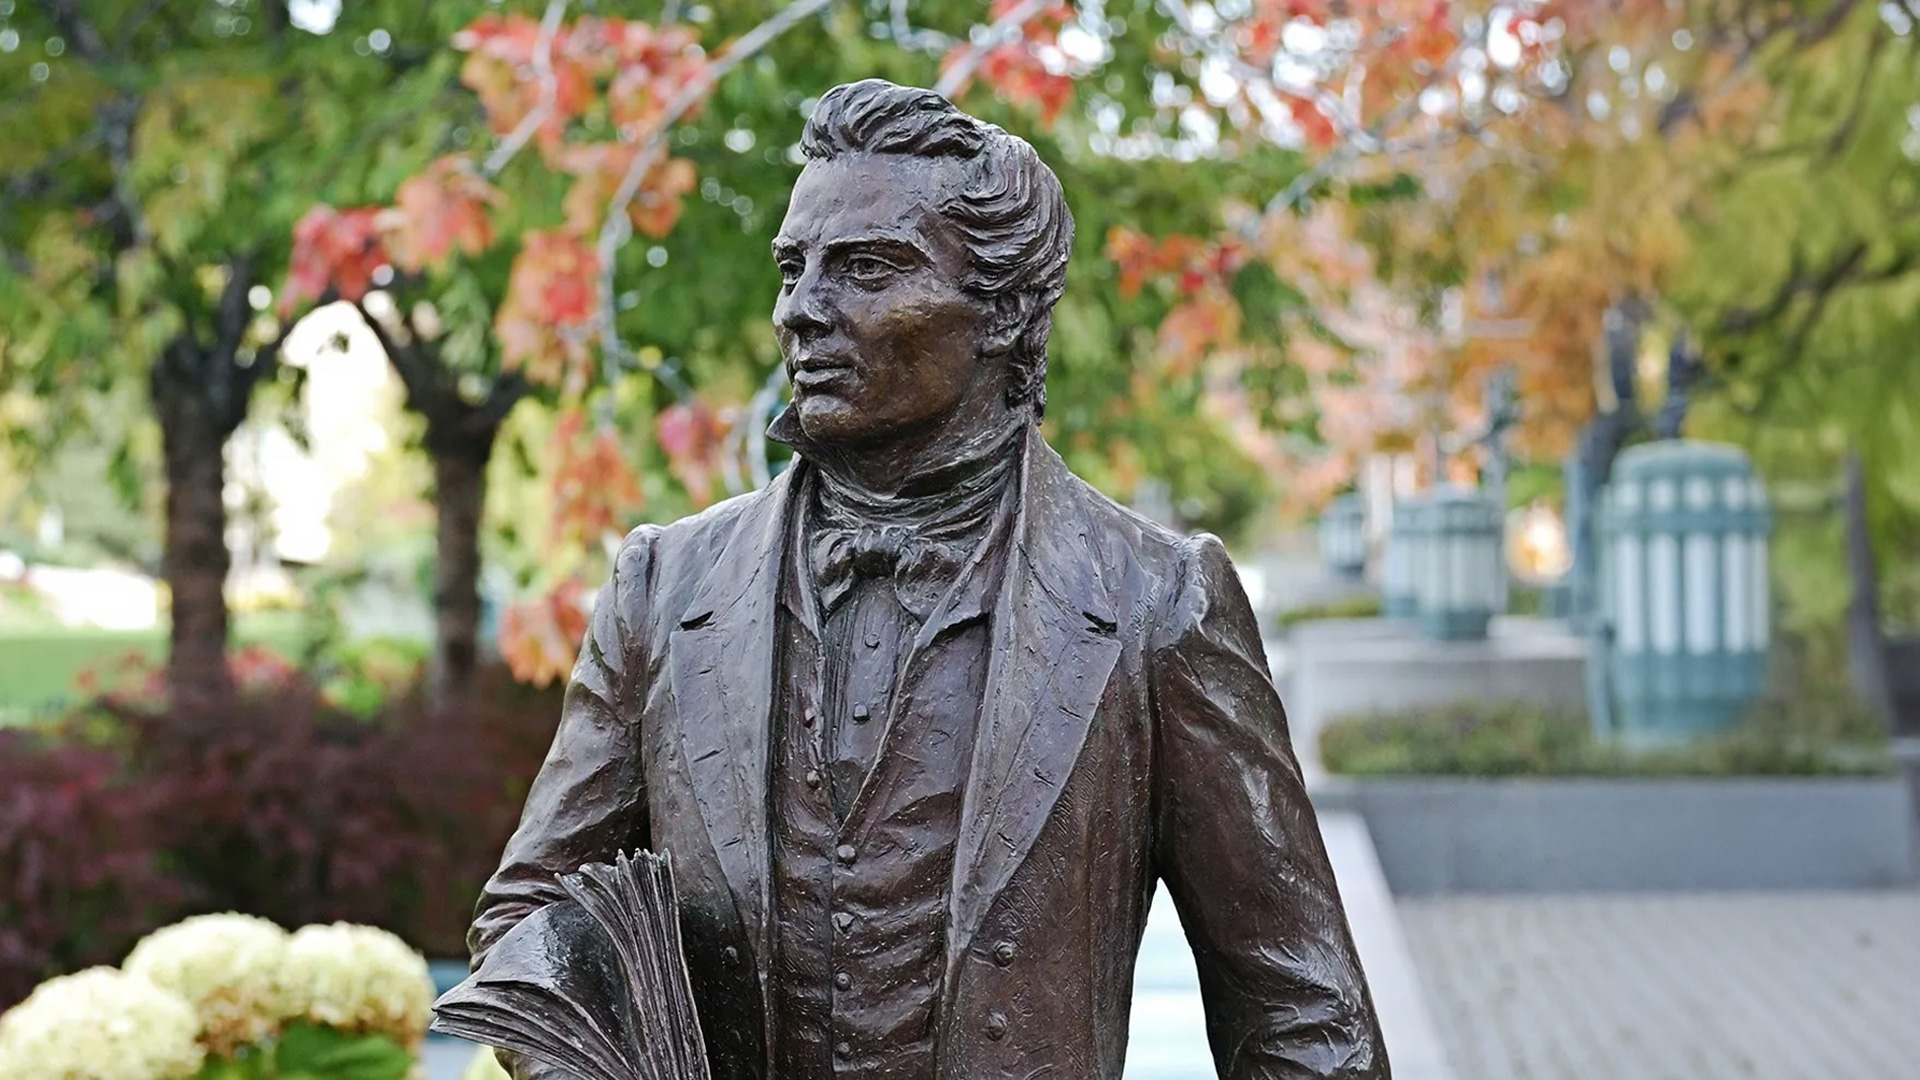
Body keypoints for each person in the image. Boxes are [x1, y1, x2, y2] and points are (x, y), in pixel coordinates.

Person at [472, 78, 1387, 1080]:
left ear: (1003, 312)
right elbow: (534, 916)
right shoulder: (664, 585)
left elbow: (1300, 1013)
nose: (802, 311)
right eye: (793, 268)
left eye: (865, 269)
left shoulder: (1156, 604)